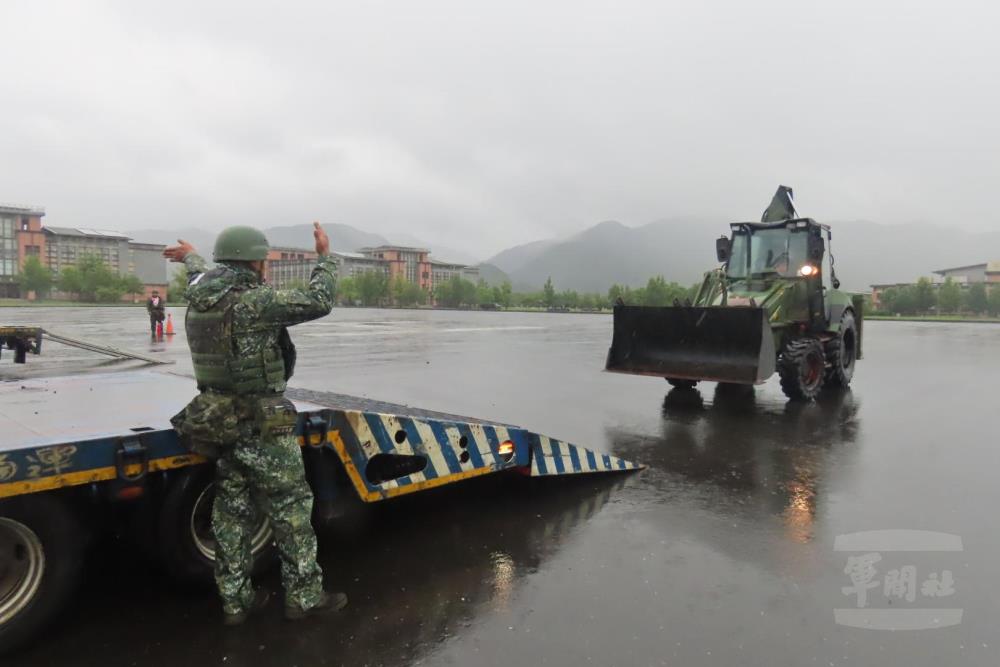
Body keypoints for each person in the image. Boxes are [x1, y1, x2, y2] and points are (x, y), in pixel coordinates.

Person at [163, 222, 345, 626]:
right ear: (253, 261)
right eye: (262, 259)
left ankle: (235, 602)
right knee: (291, 508)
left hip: (219, 422)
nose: (266, 266)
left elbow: (200, 273)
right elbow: (320, 299)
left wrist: (193, 255)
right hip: (261, 424)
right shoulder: (255, 302)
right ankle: (304, 597)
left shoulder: (200, 296)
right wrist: (325, 258)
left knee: (230, 512)